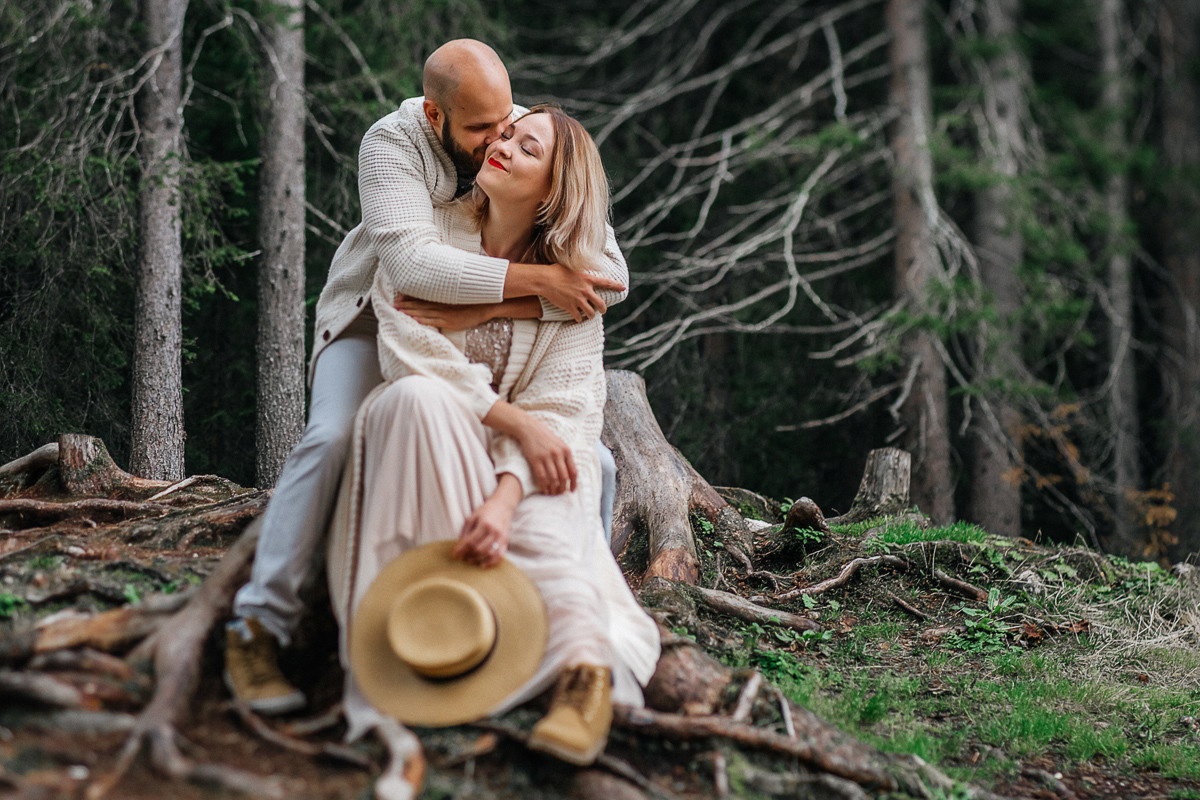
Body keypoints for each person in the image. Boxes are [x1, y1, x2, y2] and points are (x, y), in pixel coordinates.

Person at [224, 40, 629, 714]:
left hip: (482, 324)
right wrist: (539, 281)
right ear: (437, 118)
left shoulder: (506, 124)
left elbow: (608, 276)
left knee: (599, 466)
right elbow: (412, 272)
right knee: (333, 437)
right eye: (483, 128)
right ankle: (259, 624)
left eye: (509, 122)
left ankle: (584, 624)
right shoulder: (391, 143)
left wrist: (507, 302)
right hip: (378, 317)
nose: (501, 137)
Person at [326, 105, 659, 782]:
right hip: (437, 441)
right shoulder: (430, 238)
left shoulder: (576, 280)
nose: (501, 144)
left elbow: (563, 408)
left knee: (565, 472)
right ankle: (406, 622)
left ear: (555, 187)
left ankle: (581, 674)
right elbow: (412, 353)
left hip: (522, 461)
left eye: (525, 146)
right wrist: (514, 422)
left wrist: (506, 496)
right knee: (410, 399)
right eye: (505, 133)